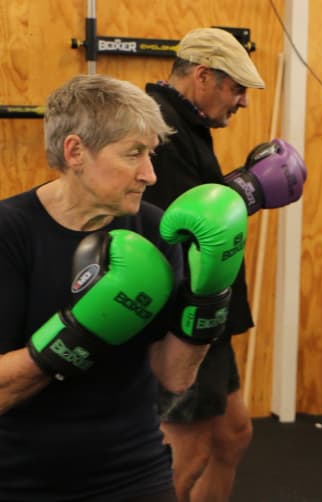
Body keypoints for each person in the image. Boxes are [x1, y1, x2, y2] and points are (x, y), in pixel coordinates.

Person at [0, 74, 245, 501]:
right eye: (134, 154)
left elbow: (173, 377)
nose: (149, 174)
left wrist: (208, 298)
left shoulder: (153, 227)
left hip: (134, 468)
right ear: (75, 152)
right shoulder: (11, 233)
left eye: (150, 154)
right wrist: (81, 332)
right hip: (21, 475)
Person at [143, 27, 305, 502]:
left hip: (211, 311)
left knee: (232, 436)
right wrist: (246, 191)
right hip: (185, 316)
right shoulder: (161, 130)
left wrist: (236, 187)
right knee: (186, 455)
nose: (242, 103)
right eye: (236, 89)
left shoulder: (185, 126)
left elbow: (190, 201)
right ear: (202, 76)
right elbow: (175, 225)